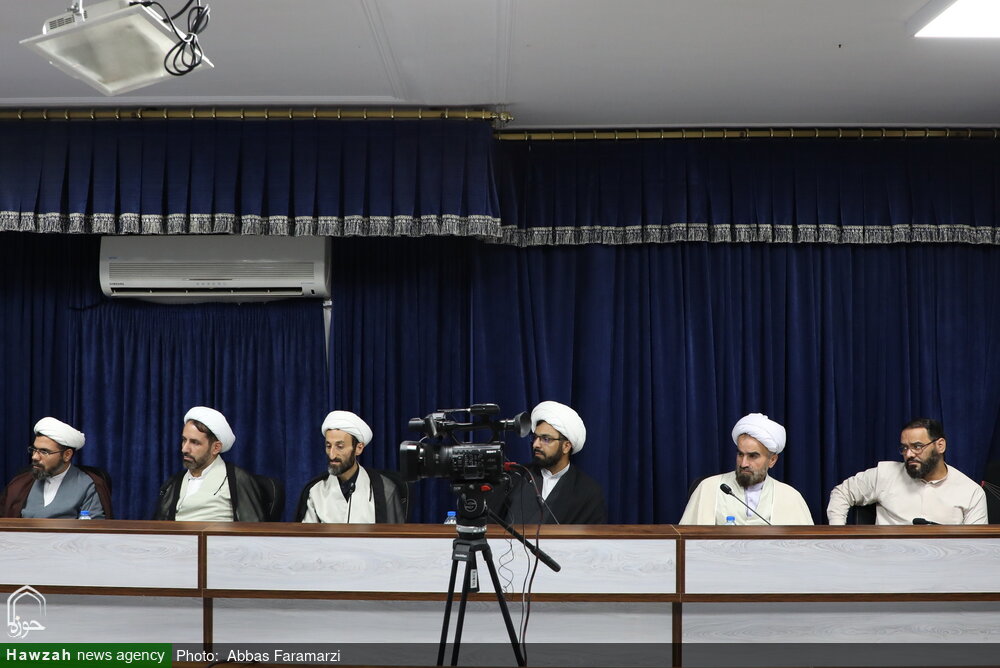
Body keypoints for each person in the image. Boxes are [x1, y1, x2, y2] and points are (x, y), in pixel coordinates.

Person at [827, 418, 987, 525]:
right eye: (904, 448)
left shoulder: (971, 492)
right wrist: (839, 535)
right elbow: (842, 493)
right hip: (887, 562)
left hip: (943, 564)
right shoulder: (884, 474)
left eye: (917, 446)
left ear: (940, 446)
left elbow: (976, 547)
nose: (909, 454)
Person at [680, 413, 813, 525]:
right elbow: (685, 542)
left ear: (772, 460)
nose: (744, 463)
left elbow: (805, 546)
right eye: (740, 454)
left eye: (753, 456)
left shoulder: (790, 497)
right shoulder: (708, 488)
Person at [500, 401, 607, 524]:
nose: (536, 445)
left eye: (546, 439)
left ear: (566, 446)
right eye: (535, 438)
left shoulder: (588, 492)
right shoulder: (516, 477)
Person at [153, 406, 267, 522]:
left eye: (195, 442)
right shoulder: (174, 482)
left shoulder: (236, 479)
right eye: (184, 440)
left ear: (216, 447)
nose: (185, 449)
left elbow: (254, 529)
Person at [296, 411, 406, 523]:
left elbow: (394, 533)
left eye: (340, 446)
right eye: (328, 446)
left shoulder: (384, 489)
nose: (332, 455)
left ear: (359, 448)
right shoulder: (316, 491)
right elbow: (306, 533)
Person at [0, 417, 112, 519]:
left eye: (44, 451)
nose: (34, 457)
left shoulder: (88, 485)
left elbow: (93, 530)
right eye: (34, 450)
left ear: (67, 455)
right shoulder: (21, 483)